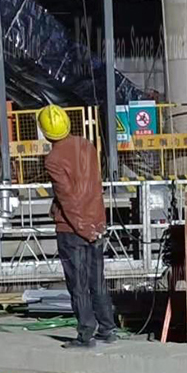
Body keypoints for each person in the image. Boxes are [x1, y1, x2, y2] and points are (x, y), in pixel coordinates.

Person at [38, 103, 118, 350]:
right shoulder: (86, 145)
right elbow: (91, 186)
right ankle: (107, 327)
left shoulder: (53, 159)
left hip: (73, 229)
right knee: (97, 279)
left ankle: (85, 334)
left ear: (45, 131)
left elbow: (68, 198)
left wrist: (82, 228)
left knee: (78, 283)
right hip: (96, 222)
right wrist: (94, 227)